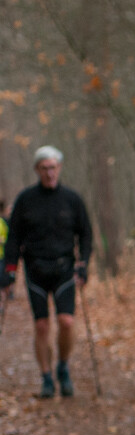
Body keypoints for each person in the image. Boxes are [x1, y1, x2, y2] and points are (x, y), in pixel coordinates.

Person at [1, 146, 93, 398]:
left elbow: (86, 234)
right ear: (37, 169)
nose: (49, 173)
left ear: (59, 168)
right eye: (44, 168)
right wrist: (10, 270)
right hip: (35, 270)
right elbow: (13, 238)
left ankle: (63, 366)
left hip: (64, 269)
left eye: (53, 167)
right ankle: (46, 378)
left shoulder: (72, 199)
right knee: (41, 325)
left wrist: (84, 263)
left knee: (66, 322)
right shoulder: (26, 199)